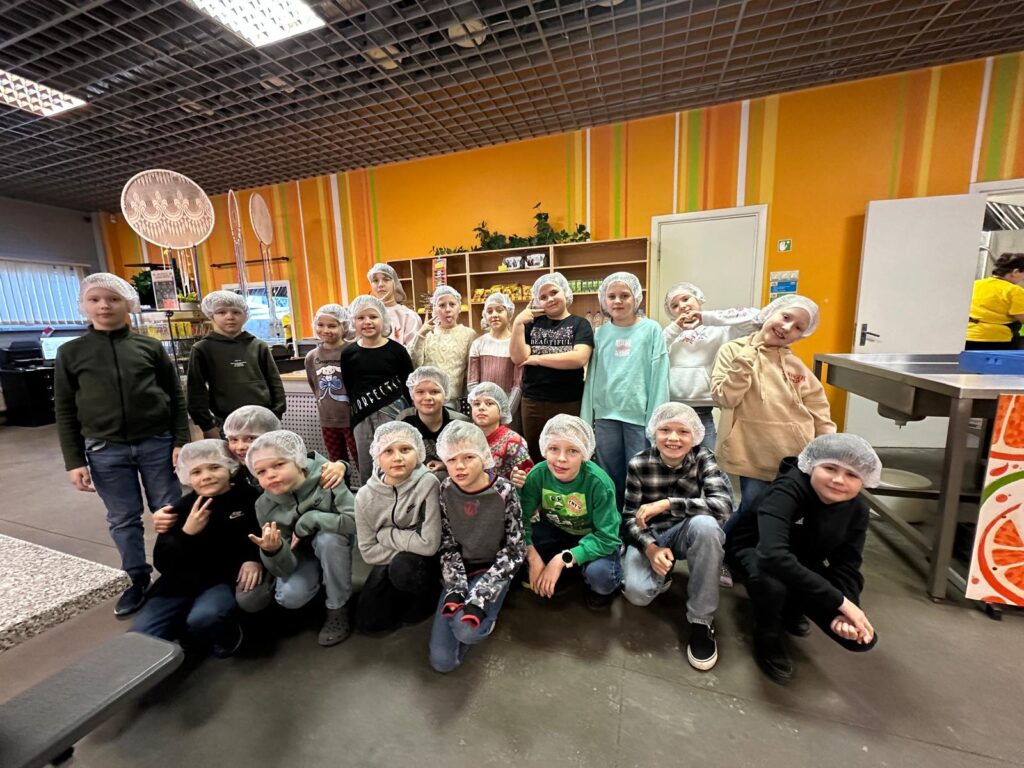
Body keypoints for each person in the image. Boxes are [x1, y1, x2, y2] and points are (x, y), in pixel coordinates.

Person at [55, 273, 187, 617]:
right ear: (83, 306)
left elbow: (175, 396)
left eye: (113, 299)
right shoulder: (71, 353)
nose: (104, 306)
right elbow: (65, 409)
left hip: (157, 443)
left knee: (169, 509)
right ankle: (137, 578)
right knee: (123, 518)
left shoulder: (149, 347)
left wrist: (181, 440)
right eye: (95, 299)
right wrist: (74, 460)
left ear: (127, 303)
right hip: (105, 450)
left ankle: (178, 572)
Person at [725, 434, 881, 684]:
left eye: (852, 475)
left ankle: (791, 606)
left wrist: (850, 607)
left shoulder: (857, 510)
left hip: (803, 559)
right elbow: (772, 554)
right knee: (772, 583)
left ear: (864, 480)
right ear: (812, 465)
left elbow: (847, 565)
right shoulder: (787, 490)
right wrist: (838, 601)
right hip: (755, 550)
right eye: (830, 468)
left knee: (862, 640)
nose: (839, 480)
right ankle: (767, 633)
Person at [620, 403, 732, 671]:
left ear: (695, 435)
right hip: (652, 535)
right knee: (637, 594)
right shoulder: (639, 463)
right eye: (665, 430)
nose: (673, 438)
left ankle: (701, 620)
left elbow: (723, 506)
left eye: (683, 431)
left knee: (707, 526)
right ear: (653, 432)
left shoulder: (704, 458)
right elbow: (629, 518)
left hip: (686, 530)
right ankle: (663, 572)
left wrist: (668, 504)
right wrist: (650, 549)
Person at [711, 294, 835, 531]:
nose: (787, 328)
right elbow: (725, 397)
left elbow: (818, 406)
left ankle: (761, 549)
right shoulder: (732, 350)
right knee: (752, 505)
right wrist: (745, 359)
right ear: (769, 313)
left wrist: (828, 446)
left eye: (798, 327)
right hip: (749, 449)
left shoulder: (794, 364)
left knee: (783, 511)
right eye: (786, 317)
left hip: (792, 452)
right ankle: (722, 547)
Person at [133, 440, 261, 657]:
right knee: (140, 636)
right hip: (177, 585)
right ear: (186, 477)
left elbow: (260, 532)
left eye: (215, 467)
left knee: (205, 617)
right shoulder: (179, 509)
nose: (206, 476)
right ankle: (184, 627)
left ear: (230, 467)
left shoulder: (249, 498)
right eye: (196, 472)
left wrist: (253, 558)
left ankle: (223, 632)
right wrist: (186, 533)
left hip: (220, 581)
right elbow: (163, 562)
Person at [429, 421, 526, 673]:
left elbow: (515, 550)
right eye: (452, 459)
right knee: (442, 662)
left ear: (484, 456)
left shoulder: (504, 491)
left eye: (468, 457)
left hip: (493, 570)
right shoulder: (445, 489)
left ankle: (488, 614)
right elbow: (447, 542)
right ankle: (467, 608)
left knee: (467, 630)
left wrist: (482, 595)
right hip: (459, 570)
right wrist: (456, 588)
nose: (459, 466)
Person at [246, 430, 357, 646]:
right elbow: (284, 568)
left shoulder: (327, 477)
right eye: (261, 471)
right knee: (289, 597)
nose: (270, 475)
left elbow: (355, 522)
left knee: (329, 540)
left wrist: (310, 519)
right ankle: (321, 584)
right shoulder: (264, 505)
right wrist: (273, 551)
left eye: (279, 465)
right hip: (300, 554)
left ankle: (338, 605)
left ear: (299, 461)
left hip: (332, 543)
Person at [581, 272, 669, 508]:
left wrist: (657, 420)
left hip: (639, 417)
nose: (618, 301)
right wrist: (586, 418)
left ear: (636, 297)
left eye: (624, 295)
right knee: (608, 475)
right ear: (604, 300)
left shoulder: (651, 330)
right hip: (605, 416)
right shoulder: (599, 334)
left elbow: (660, 375)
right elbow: (592, 377)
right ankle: (613, 520)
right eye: (611, 296)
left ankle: (636, 520)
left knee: (639, 474)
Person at [518, 415, 622, 609]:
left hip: (593, 536)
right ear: (544, 448)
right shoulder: (538, 475)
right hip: (558, 530)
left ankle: (581, 570)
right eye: (553, 449)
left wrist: (561, 560)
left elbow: (608, 537)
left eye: (572, 451)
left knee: (601, 576)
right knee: (518, 552)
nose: (561, 459)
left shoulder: (599, 483)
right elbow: (520, 519)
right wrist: (532, 558)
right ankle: (572, 569)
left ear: (585, 453)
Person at [354, 422, 442, 634]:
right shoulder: (364, 497)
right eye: (388, 451)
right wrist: (408, 543)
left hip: (422, 561)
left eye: (405, 449)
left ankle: (431, 591)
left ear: (418, 452)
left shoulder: (428, 484)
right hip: (394, 557)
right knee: (370, 623)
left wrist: (386, 534)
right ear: (377, 457)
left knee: (405, 572)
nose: (397, 457)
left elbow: (430, 545)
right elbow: (368, 551)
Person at [661, 281, 759, 449]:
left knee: (708, 454)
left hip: (703, 405)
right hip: (673, 404)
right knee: (675, 455)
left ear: (699, 299)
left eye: (686, 299)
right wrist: (675, 328)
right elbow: (654, 351)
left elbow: (757, 318)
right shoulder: (670, 333)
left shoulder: (720, 330)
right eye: (674, 305)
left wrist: (706, 318)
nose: (682, 306)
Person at [510, 272, 595, 461]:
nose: (549, 299)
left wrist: (538, 359)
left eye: (554, 292)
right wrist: (518, 323)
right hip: (533, 402)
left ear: (565, 292)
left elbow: (579, 358)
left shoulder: (580, 324)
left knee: (568, 453)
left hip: (568, 401)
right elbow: (518, 357)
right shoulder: (532, 325)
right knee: (536, 453)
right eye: (543, 297)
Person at [187, 290, 286, 438]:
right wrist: (207, 426)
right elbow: (196, 392)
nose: (230, 317)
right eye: (221, 312)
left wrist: (276, 414)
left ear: (245, 315)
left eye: (236, 312)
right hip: (224, 423)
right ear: (211, 315)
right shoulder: (202, 349)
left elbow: (275, 383)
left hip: (262, 420)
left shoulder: (259, 346)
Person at [340, 294, 414, 484]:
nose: (367, 322)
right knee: (367, 464)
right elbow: (350, 387)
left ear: (383, 319)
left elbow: (409, 385)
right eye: (361, 317)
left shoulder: (398, 351)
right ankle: (371, 498)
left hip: (394, 414)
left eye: (373, 317)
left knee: (395, 462)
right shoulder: (348, 353)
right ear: (353, 321)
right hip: (361, 416)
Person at [304, 303, 358, 471]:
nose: (325, 330)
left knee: (361, 462)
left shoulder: (353, 351)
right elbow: (314, 386)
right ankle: (342, 488)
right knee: (336, 465)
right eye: (321, 325)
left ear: (344, 326)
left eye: (332, 326)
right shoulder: (312, 357)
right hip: (328, 421)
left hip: (353, 420)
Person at [409, 285, 477, 409]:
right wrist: (420, 335)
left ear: (459, 308)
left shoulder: (469, 334)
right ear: (434, 309)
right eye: (442, 305)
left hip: (452, 401)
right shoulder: (427, 333)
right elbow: (414, 364)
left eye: (452, 304)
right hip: (426, 398)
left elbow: (471, 372)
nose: (447, 309)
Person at [467, 292, 524, 432]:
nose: (494, 315)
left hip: (510, 411)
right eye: (489, 311)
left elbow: (518, 385)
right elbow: (472, 382)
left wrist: (504, 413)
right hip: (483, 412)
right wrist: (483, 406)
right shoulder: (478, 344)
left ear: (509, 313)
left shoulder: (516, 344)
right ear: (485, 315)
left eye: (499, 310)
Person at [399, 366, 470, 475]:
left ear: (445, 394)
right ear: (412, 395)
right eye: (420, 392)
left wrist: (445, 465)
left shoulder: (460, 423)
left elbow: (471, 459)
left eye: (434, 392)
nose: (427, 397)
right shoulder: (404, 420)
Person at [467, 382, 533, 489]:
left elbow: (528, 475)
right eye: (476, 404)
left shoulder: (513, 441)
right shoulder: (466, 438)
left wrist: (519, 478)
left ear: (502, 410)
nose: (481, 408)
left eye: (489, 403)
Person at [966, 252, 1024, 350]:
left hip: (967, 336)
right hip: (996, 341)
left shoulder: (975, 284)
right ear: (1015, 272)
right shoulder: (1014, 291)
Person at [368, 262, 422, 346]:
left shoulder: (408, 316)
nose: (380, 284)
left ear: (395, 283)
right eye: (375, 280)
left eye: (386, 279)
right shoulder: (365, 316)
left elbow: (413, 349)